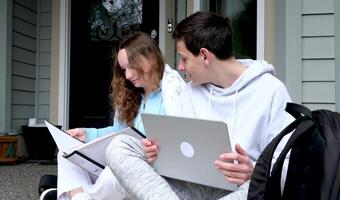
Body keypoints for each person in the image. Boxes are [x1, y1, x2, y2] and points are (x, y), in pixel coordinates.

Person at [105, 11, 294, 200]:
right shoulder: (190, 92)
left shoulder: (270, 91)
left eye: (184, 58)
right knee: (119, 146)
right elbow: (180, 151)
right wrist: (158, 153)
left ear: (204, 56)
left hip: (240, 189)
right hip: (193, 186)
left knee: (254, 188)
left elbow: (290, 165)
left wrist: (254, 172)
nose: (180, 67)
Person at [55, 32, 185, 200]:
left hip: (144, 170)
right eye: (124, 69)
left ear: (151, 58)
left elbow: (178, 146)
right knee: (66, 151)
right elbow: (118, 131)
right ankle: (81, 196)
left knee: (114, 173)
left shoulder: (172, 97)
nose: (128, 75)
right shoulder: (134, 96)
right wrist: (86, 134)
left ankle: (76, 194)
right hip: (117, 160)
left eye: (132, 66)